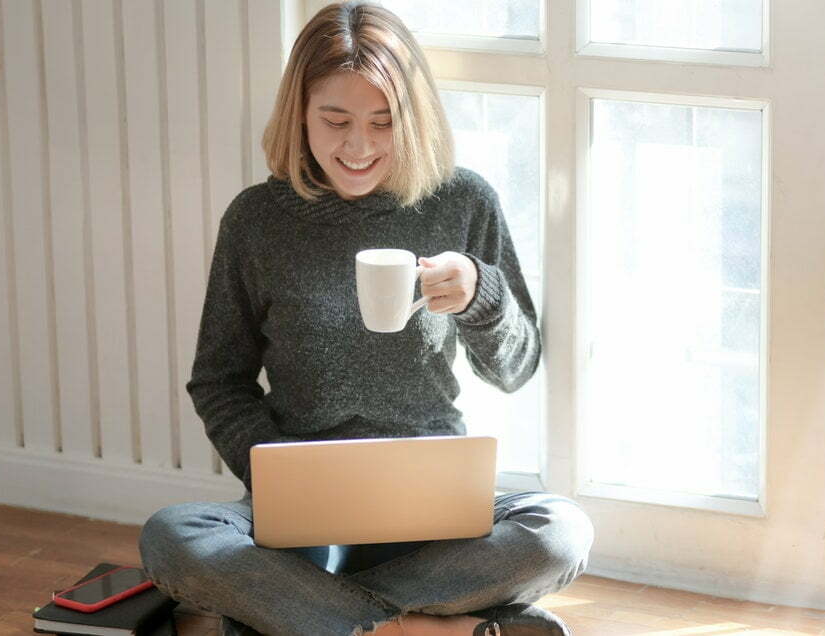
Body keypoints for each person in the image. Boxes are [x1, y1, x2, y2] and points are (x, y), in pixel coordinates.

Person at [136, 3, 594, 635]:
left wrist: (480, 296)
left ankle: (311, 614)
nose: (359, 145)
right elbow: (218, 380)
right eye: (336, 120)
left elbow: (515, 368)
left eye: (384, 122)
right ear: (300, 114)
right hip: (303, 506)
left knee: (560, 531)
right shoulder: (257, 220)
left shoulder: (463, 201)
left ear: (414, 118)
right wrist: (278, 474)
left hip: (434, 499)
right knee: (173, 536)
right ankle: (435, 626)